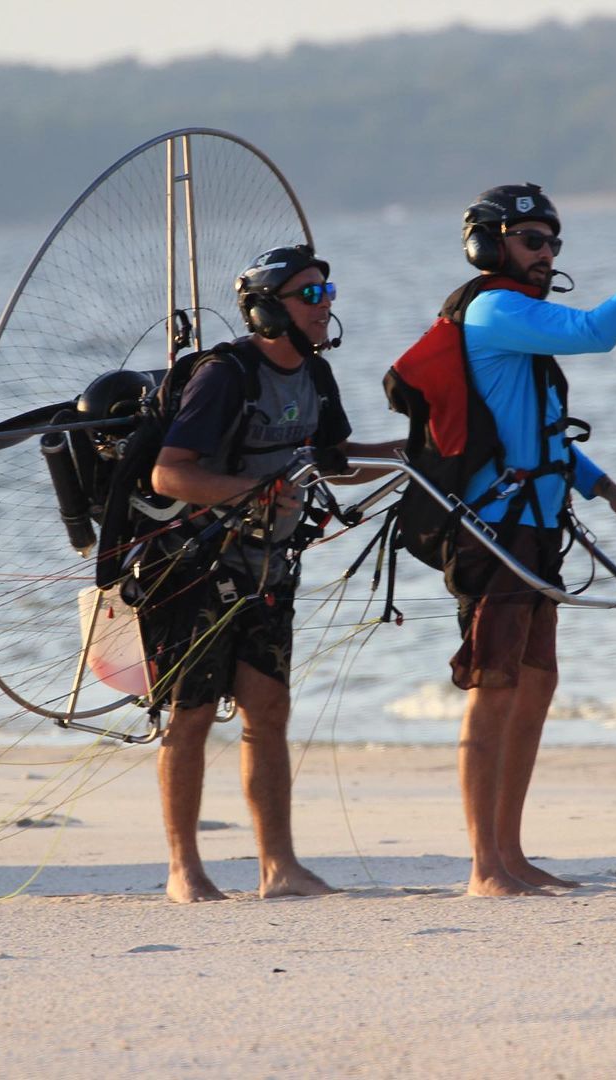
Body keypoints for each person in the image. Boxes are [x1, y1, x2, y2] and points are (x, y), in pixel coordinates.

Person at [439, 183, 616, 896]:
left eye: (552, 242)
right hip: (497, 530)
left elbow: (537, 434)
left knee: (537, 682)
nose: (545, 253)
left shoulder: (525, 317)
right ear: (489, 242)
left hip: (540, 527)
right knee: (495, 685)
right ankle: (485, 866)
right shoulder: (495, 307)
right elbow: (598, 330)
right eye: (531, 240)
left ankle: (510, 853)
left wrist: (605, 488)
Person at [145, 244, 402, 903]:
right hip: (194, 568)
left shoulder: (316, 376)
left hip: (269, 568)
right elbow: (169, 472)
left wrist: (404, 455)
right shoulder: (225, 376)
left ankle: (278, 866)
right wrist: (252, 490)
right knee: (193, 713)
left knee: (268, 708)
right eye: (310, 295)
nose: (326, 306)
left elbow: (332, 461)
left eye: (328, 292)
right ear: (266, 311)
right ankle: (185, 871)